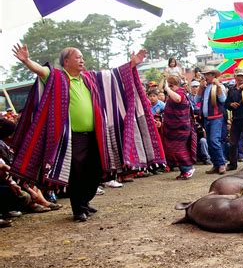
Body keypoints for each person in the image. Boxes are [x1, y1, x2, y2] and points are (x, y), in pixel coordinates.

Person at [12, 44, 164, 222]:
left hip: (95, 135)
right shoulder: (59, 78)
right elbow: (41, 71)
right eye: (77, 57)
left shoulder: (90, 78)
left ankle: (85, 202)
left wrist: (132, 64)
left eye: (82, 57)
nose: (82, 60)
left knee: (95, 170)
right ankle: (78, 209)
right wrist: (26, 60)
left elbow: (113, 76)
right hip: (73, 138)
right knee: (77, 173)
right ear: (66, 61)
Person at [162, 75, 197, 180]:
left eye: (171, 85)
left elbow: (178, 99)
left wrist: (167, 89)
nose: (169, 88)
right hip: (173, 128)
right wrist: (164, 81)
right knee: (173, 149)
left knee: (179, 149)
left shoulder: (180, 93)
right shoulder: (173, 93)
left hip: (180, 128)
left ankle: (188, 168)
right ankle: (183, 170)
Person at [195, 65, 227, 175]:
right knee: (209, 141)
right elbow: (196, 100)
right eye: (204, 74)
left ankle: (221, 163)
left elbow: (223, 99)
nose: (205, 77)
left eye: (207, 74)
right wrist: (200, 87)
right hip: (206, 118)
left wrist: (218, 86)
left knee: (214, 140)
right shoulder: (204, 87)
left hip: (216, 118)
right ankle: (216, 164)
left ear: (213, 75)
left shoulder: (220, 86)